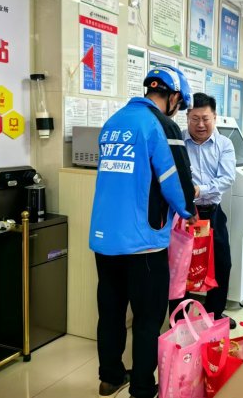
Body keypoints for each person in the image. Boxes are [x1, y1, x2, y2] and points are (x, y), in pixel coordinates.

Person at [89, 66, 197, 398]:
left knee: (111, 312)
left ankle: (109, 377)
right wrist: (189, 210)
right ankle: (141, 387)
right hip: (144, 244)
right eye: (180, 103)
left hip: (105, 239)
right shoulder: (161, 124)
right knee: (148, 319)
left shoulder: (114, 122)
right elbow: (174, 178)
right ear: (173, 97)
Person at [173, 92, 237, 329]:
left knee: (221, 264)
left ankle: (214, 314)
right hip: (183, 214)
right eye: (195, 118)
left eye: (206, 119)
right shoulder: (178, 141)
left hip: (212, 213)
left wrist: (199, 190)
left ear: (215, 117)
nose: (200, 124)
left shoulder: (224, 144)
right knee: (182, 266)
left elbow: (227, 178)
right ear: (187, 117)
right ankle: (179, 319)